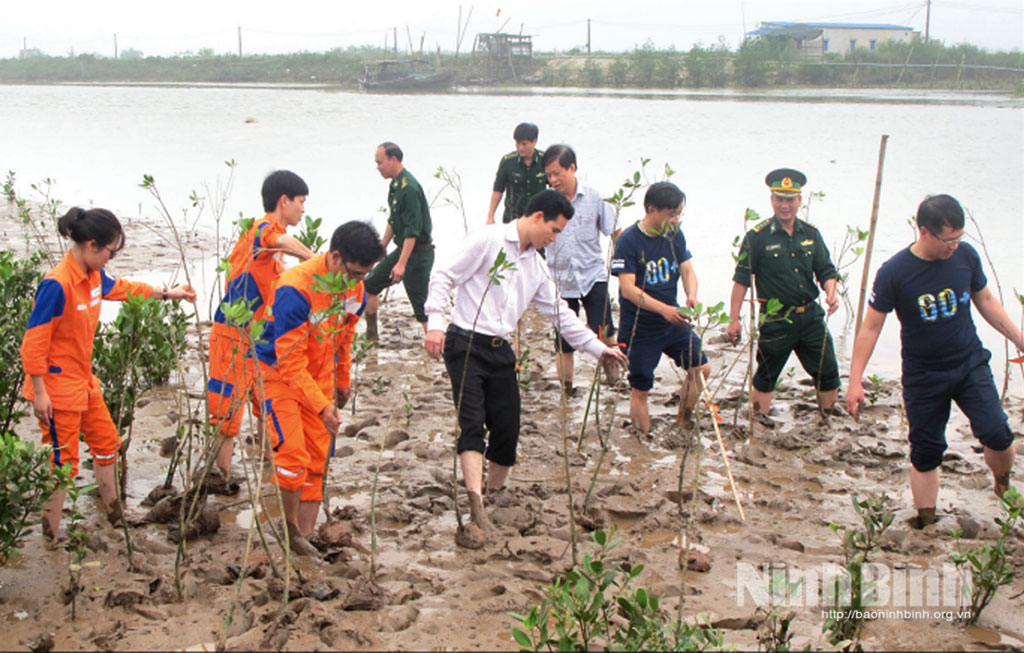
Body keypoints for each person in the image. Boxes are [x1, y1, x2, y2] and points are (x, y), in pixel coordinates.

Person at [424, 189, 627, 548]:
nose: (555, 238)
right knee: (472, 422)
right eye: (555, 230)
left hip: (501, 351)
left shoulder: (535, 264)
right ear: (537, 217)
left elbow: (561, 314)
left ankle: (493, 493)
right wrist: (435, 322)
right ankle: (476, 506)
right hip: (466, 343)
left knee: (507, 428)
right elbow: (443, 274)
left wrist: (600, 350)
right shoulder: (487, 241)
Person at [21, 207, 196, 543]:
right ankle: (50, 538)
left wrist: (168, 293)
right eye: (110, 251)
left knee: (106, 443)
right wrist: (40, 392)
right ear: (91, 245)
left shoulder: (95, 276)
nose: (111, 258)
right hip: (57, 388)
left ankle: (115, 514)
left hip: (84, 383)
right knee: (62, 466)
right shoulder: (57, 285)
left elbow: (126, 288)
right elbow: (33, 342)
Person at [847, 194, 1022, 528]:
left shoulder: (966, 257)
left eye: (959, 238)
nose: (954, 246)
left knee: (998, 433)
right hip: (923, 374)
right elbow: (871, 327)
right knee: (926, 452)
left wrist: (1018, 338)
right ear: (924, 231)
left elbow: (985, 300)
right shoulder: (895, 272)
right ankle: (926, 519)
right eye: (948, 240)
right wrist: (855, 381)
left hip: (969, 363)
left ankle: (1002, 479)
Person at [255, 221, 382, 555]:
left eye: (364, 275)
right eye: (354, 273)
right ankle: (290, 532)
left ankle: (305, 537)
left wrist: (342, 382)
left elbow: (345, 337)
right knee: (292, 455)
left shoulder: (354, 290)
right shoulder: (294, 288)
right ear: (335, 257)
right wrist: (321, 406)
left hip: (321, 376)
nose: (357, 283)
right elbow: (289, 360)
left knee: (317, 458)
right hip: (279, 376)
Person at [206, 170, 316, 482]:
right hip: (233, 332)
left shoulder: (272, 241)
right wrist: (316, 261)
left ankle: (270, 473)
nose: (304, 209)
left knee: (267, 405)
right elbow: (278, 239)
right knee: (226, 412)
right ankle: (221, 478)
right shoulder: (263, 230)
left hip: (258, 336)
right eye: (301, 202)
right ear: (284, 201)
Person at [727, 168, 841, 425]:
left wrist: (831, 293)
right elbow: (741, 280)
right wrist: (734, 319)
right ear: (771, 200)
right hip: (777, 319)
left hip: (810, 316)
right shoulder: (757, 236)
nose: (785, 205)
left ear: (800, 201)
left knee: (828, 371)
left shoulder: (811, 234)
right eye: (779, 199)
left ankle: (828, 419)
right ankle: (760, 420)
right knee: (766, 373)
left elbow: (826, 270)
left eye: (790, 199)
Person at [611, 182, 711, 435]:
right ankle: (641, 440)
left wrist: (692, 296)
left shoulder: (674, 234)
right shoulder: (629, 242)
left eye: (678, 214)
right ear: (652, 210)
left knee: (701, 369)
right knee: (641, 387)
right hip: (640, 328)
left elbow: (687, 269)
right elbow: (628, 290)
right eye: (671, 214)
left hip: (673, 322)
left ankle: (683, 422)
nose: (675, 220)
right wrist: (664, 309)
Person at [542, 144, 620, 391]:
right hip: (560, 280)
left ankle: (614, 380)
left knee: (605, 332)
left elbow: (616, 233)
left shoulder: (596, 198)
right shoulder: (546, 202)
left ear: (572, 168)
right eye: (549, 175)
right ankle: (567, 389)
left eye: (557, 173)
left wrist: (626, 269)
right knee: (564, 342)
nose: (553, 180)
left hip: (592, 276)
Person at [363, 142, 434, 342]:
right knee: (371, 284)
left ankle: (438, 344)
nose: (378, 167)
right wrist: (382, 247)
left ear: (393, 160)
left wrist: (401, 264)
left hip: (417, 253)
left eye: (380, 162)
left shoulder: (409, 188)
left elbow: (413, 231)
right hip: (404, 249)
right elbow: (394, 220)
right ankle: (371, 336)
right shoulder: (395, 185)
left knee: (421, 305)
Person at [486, 122, 548, 225]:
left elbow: (556, 188)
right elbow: (498, 190)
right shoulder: (508, 162)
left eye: (524, 144)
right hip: (512, 220)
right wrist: (490, 216)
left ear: (535, 141)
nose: (520, 148)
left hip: (538, 220)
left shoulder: (545, 160)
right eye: (517, 143)